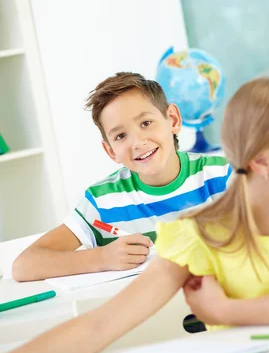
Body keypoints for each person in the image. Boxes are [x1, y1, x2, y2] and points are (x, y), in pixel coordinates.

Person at [0, 76, 269, 353]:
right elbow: (99, 327)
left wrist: (226, 312)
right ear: (262, 158)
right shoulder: (196, 235)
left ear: (171, 119)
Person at [11, 72, 231, 281]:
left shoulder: (222, 176)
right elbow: (24, 265)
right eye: (121, 135)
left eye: (146, 123)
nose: (137, 142)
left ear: (172, 119)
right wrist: (101, 258)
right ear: (111, 151)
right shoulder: (103, 201)